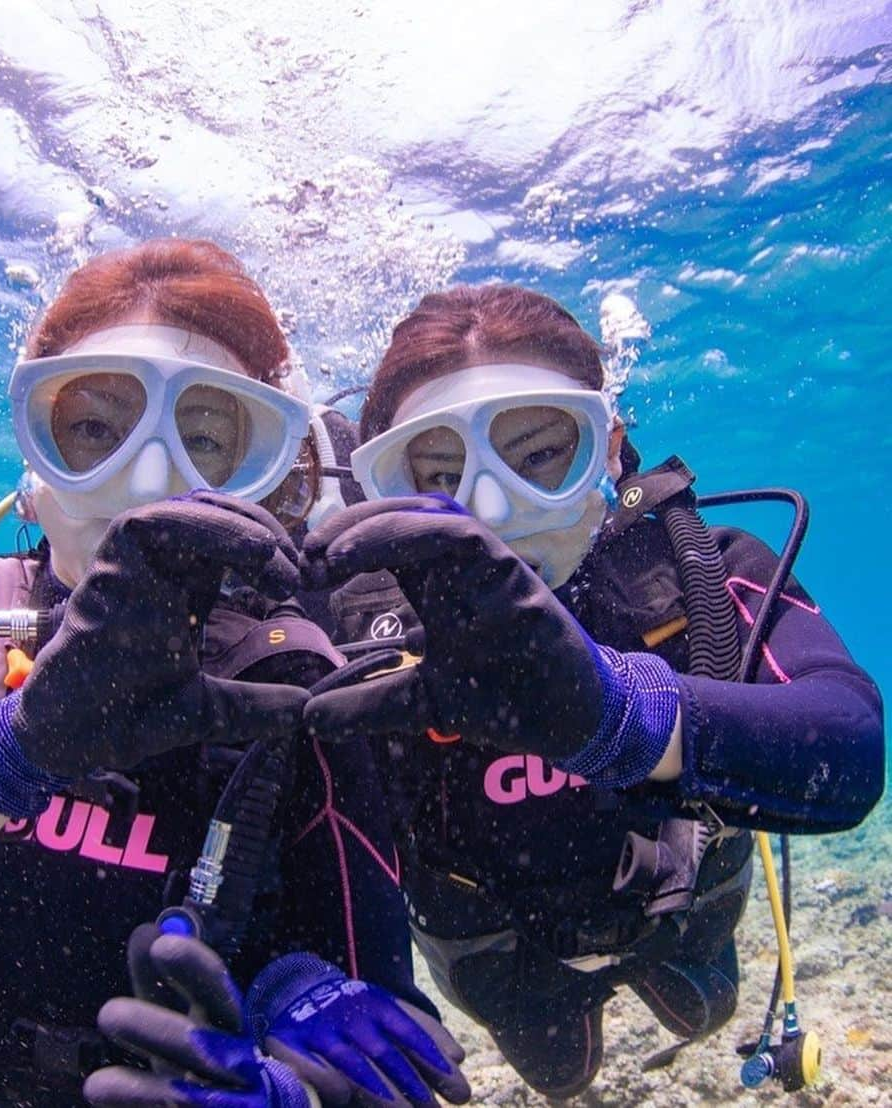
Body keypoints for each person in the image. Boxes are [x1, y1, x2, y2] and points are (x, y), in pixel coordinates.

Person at [0, 239, 469, 1108]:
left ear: (268, 482)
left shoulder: (296, 696)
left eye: (205, 439)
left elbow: (394, 1031)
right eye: (92, 429)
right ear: (33, 476)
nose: (149, 486)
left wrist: (301, 1042)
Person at [297, 284, 885, 1098]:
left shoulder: (696, 574)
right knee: (560, 1078)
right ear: (380, 489)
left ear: (609, 450)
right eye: (436, 474)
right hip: (501, 953)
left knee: (705, 1011)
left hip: (686, 904)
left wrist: (623, 716)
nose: (492, 512)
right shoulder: (355, 629)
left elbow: (850, 747)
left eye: (541, 453)